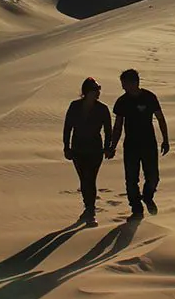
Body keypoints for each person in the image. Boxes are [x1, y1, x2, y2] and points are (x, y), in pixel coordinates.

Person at [105, 69, 169, 220]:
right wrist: (112, 146)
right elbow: (118, 126)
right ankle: (136, 209)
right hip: (131, 145)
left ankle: (147, 197)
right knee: (131, 179)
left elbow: (160, 118)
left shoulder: (149, 97)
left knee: (153, 177)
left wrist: (166, 140)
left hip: (149, 144)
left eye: (125, 84)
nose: (123, 87)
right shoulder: (122, 102)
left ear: (134, 83)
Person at [63, 77, 111, 227]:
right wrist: (66, 147)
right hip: (78, 148)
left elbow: (108, 130)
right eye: (95, 90)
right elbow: (67, 127)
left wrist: (108, 147)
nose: (98, 93)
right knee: (84, 179)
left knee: (90, 178)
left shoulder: (102, 108)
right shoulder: (75, 106)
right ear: (86, 92)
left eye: (98, 90)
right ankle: (88, 206)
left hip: (95, 149)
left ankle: (90, 210)